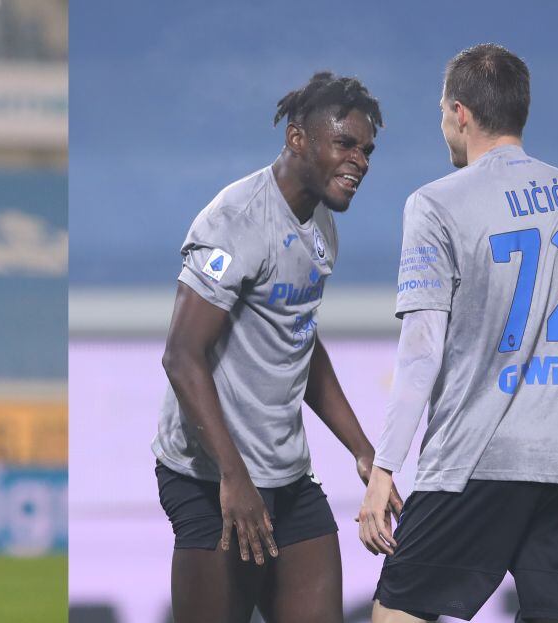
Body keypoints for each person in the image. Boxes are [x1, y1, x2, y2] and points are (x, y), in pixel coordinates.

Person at [154, 71, 402, 623]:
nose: (359, 161)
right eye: (345, 143)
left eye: (366, 150)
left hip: (287, 477)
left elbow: (300, 339)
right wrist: (233, 477)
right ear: (297, 139)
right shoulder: (236, 220)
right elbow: (181, 355)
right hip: (210, 478)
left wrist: (362, 450)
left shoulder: (321, 225)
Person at [359, 43, 558, 623]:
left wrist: (385, 468)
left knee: (398, 613)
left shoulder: (437, 204)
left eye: (442, 112)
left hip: (476, 458)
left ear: (460, 113)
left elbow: (421, 352)